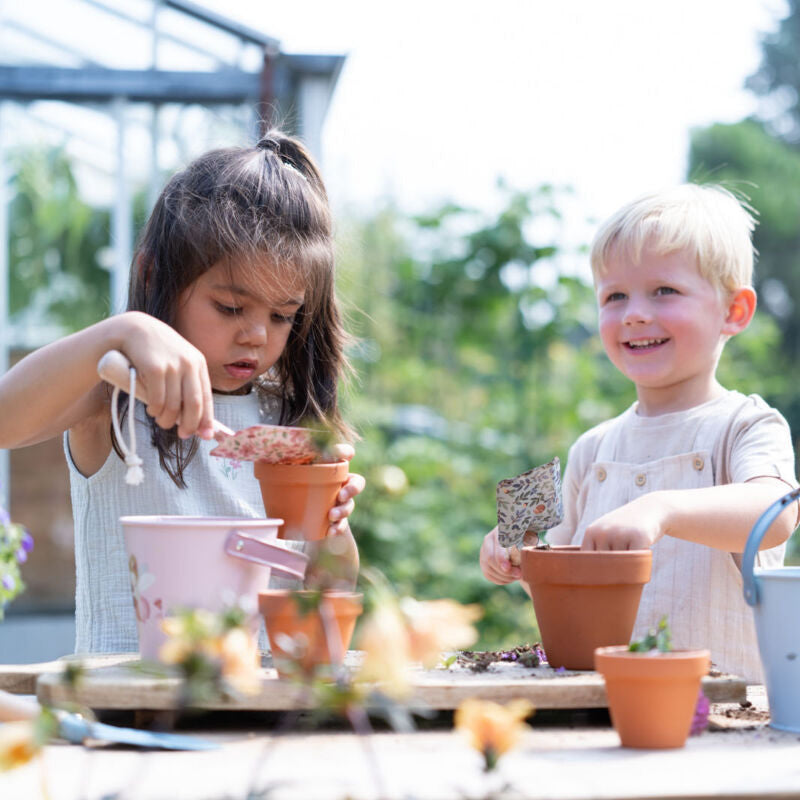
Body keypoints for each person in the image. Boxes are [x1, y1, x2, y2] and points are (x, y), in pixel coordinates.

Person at [0, 130, 365, 654]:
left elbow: (325, 590)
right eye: (231, 307)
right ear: (156, 276)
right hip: (126, 711)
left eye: (282, 315)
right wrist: (120, 331)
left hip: (256, 713)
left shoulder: (287, 422)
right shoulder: (118, 396)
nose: (256, 335)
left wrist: (333, 531)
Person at [480, 183, 799, 681]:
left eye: (664, 291)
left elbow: (776, 513)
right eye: (615, 296)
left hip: (721, 711)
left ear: (734, 312)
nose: (633, 313)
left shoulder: (745, 424)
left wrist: (663, 508)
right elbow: (557, 569)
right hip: (602, 701)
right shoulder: (595, 447)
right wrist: (516, 551)